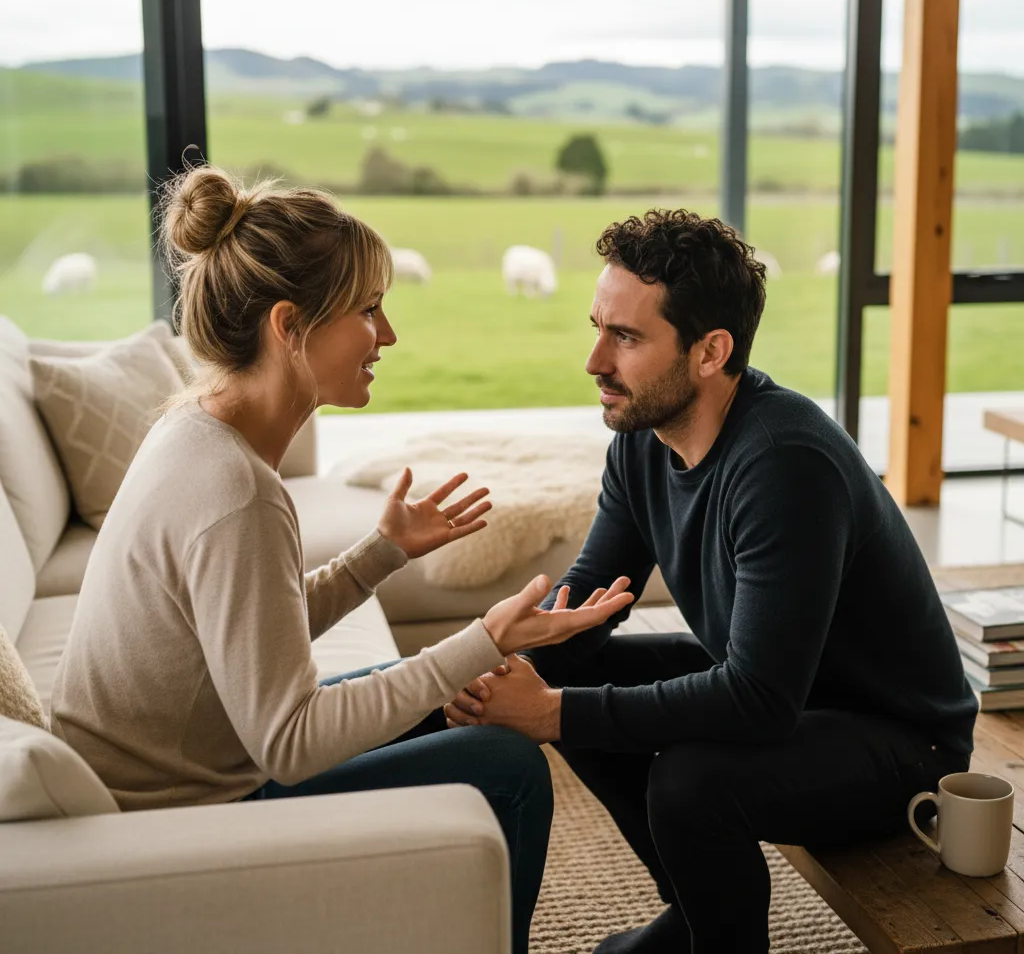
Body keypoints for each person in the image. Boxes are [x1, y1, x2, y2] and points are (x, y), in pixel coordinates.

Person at [49, 165, 635, 954]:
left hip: (193, 765)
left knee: (455, 693)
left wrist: (379, 556)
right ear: (290, 326)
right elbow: (288, 741)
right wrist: (485, 639)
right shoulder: (235, 493)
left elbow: (248, 629)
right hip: (185, 812)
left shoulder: (196, 432)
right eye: (368, 310)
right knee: (507, 766)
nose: (387, 335)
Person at [444, 208, 977, 953]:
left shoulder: (784, 462)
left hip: (898, 740)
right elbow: (585, 614)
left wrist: (551, 712)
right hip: (789, 689)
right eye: (597, 327)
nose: (595, 361)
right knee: (572, 674)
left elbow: (758, 702)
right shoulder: (642, 442)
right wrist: (485, 664)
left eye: (625, 338)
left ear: (709, 352)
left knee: (687, 780)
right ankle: (695, 917)